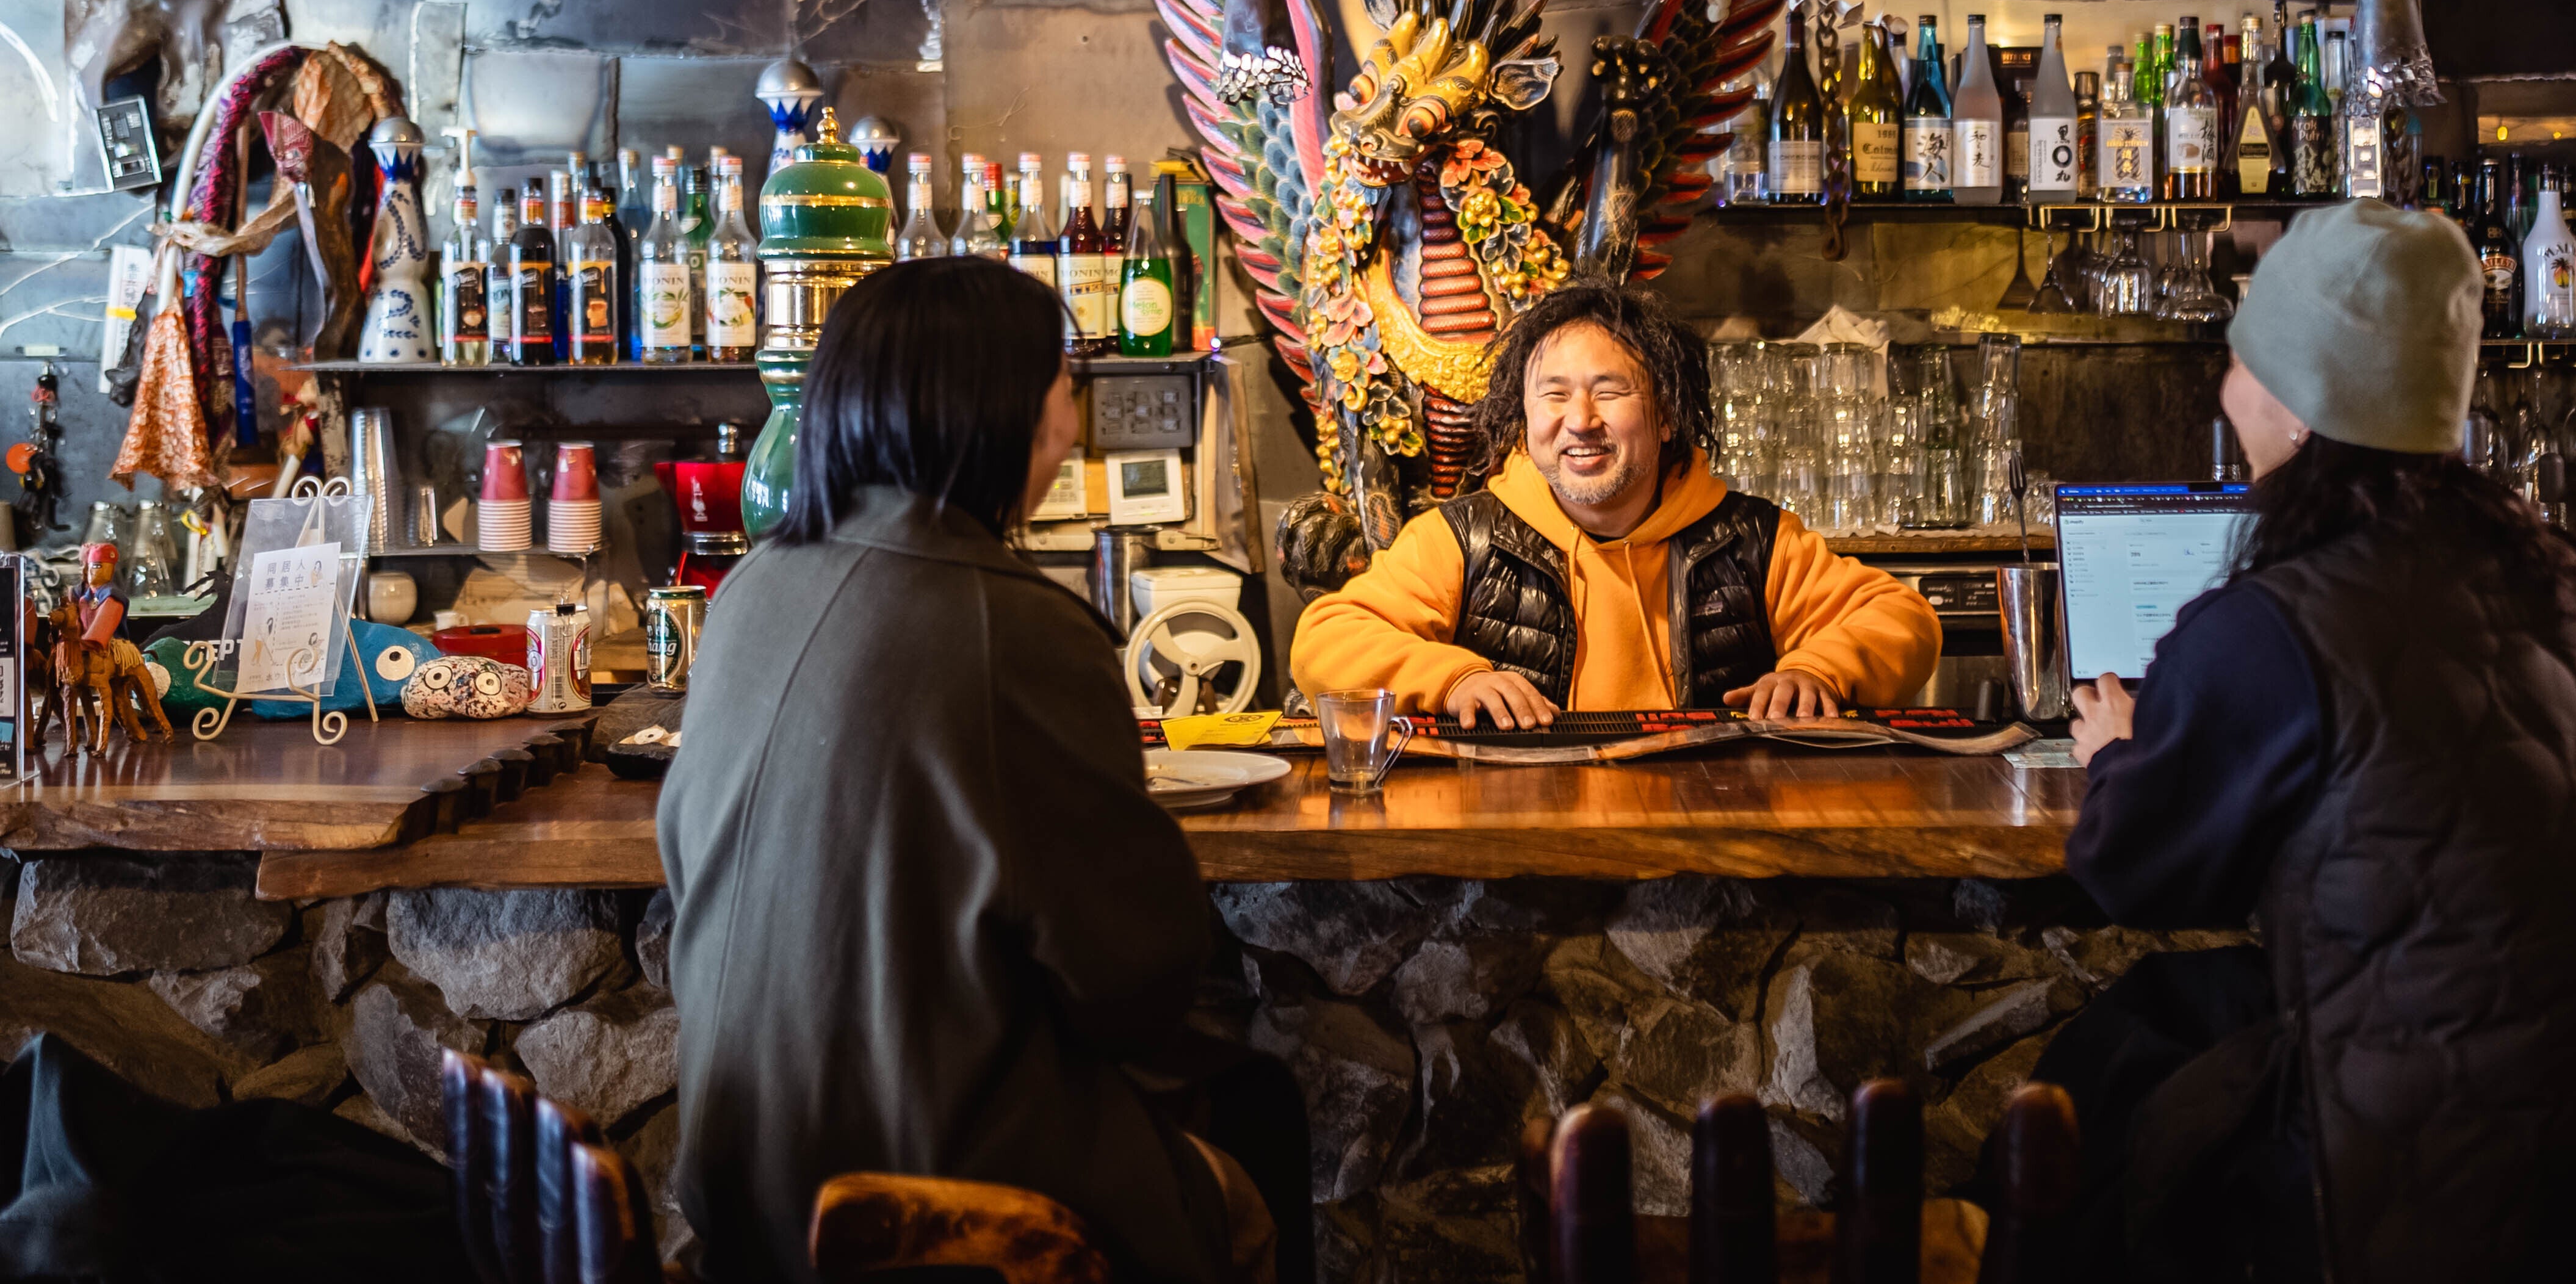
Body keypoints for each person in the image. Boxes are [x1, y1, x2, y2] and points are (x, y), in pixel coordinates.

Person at [2045, 201, 2576, 1283]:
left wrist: (2118, 754)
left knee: (2107, 1075)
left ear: (2297, 406)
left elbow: (2133, 868)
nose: (2226, 391)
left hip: (2421, 1203)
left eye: (2242, 361)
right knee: (2187, 1014)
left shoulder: (2273, 624)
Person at [658, 259, 1283, 1284]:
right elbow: (1137, 982)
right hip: (929, 1207)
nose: (1072, 425)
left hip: (738, 1184)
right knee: (1250, 1167)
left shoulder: (750, 590)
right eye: (1063, 388)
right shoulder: (1020, 628)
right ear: (1003, 414)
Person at [1290, 282, 1940, 726]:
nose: (1579, 421)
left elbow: (1903, 620)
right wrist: (1452, 680)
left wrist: (1819, 672)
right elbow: (1325, 641)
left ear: (1666, 414)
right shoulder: (1461, 539)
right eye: (1553, 395)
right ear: (1524, 416)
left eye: (1609, 392)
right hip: (1522, 840)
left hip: (1710, 833)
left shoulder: (1753, 539)